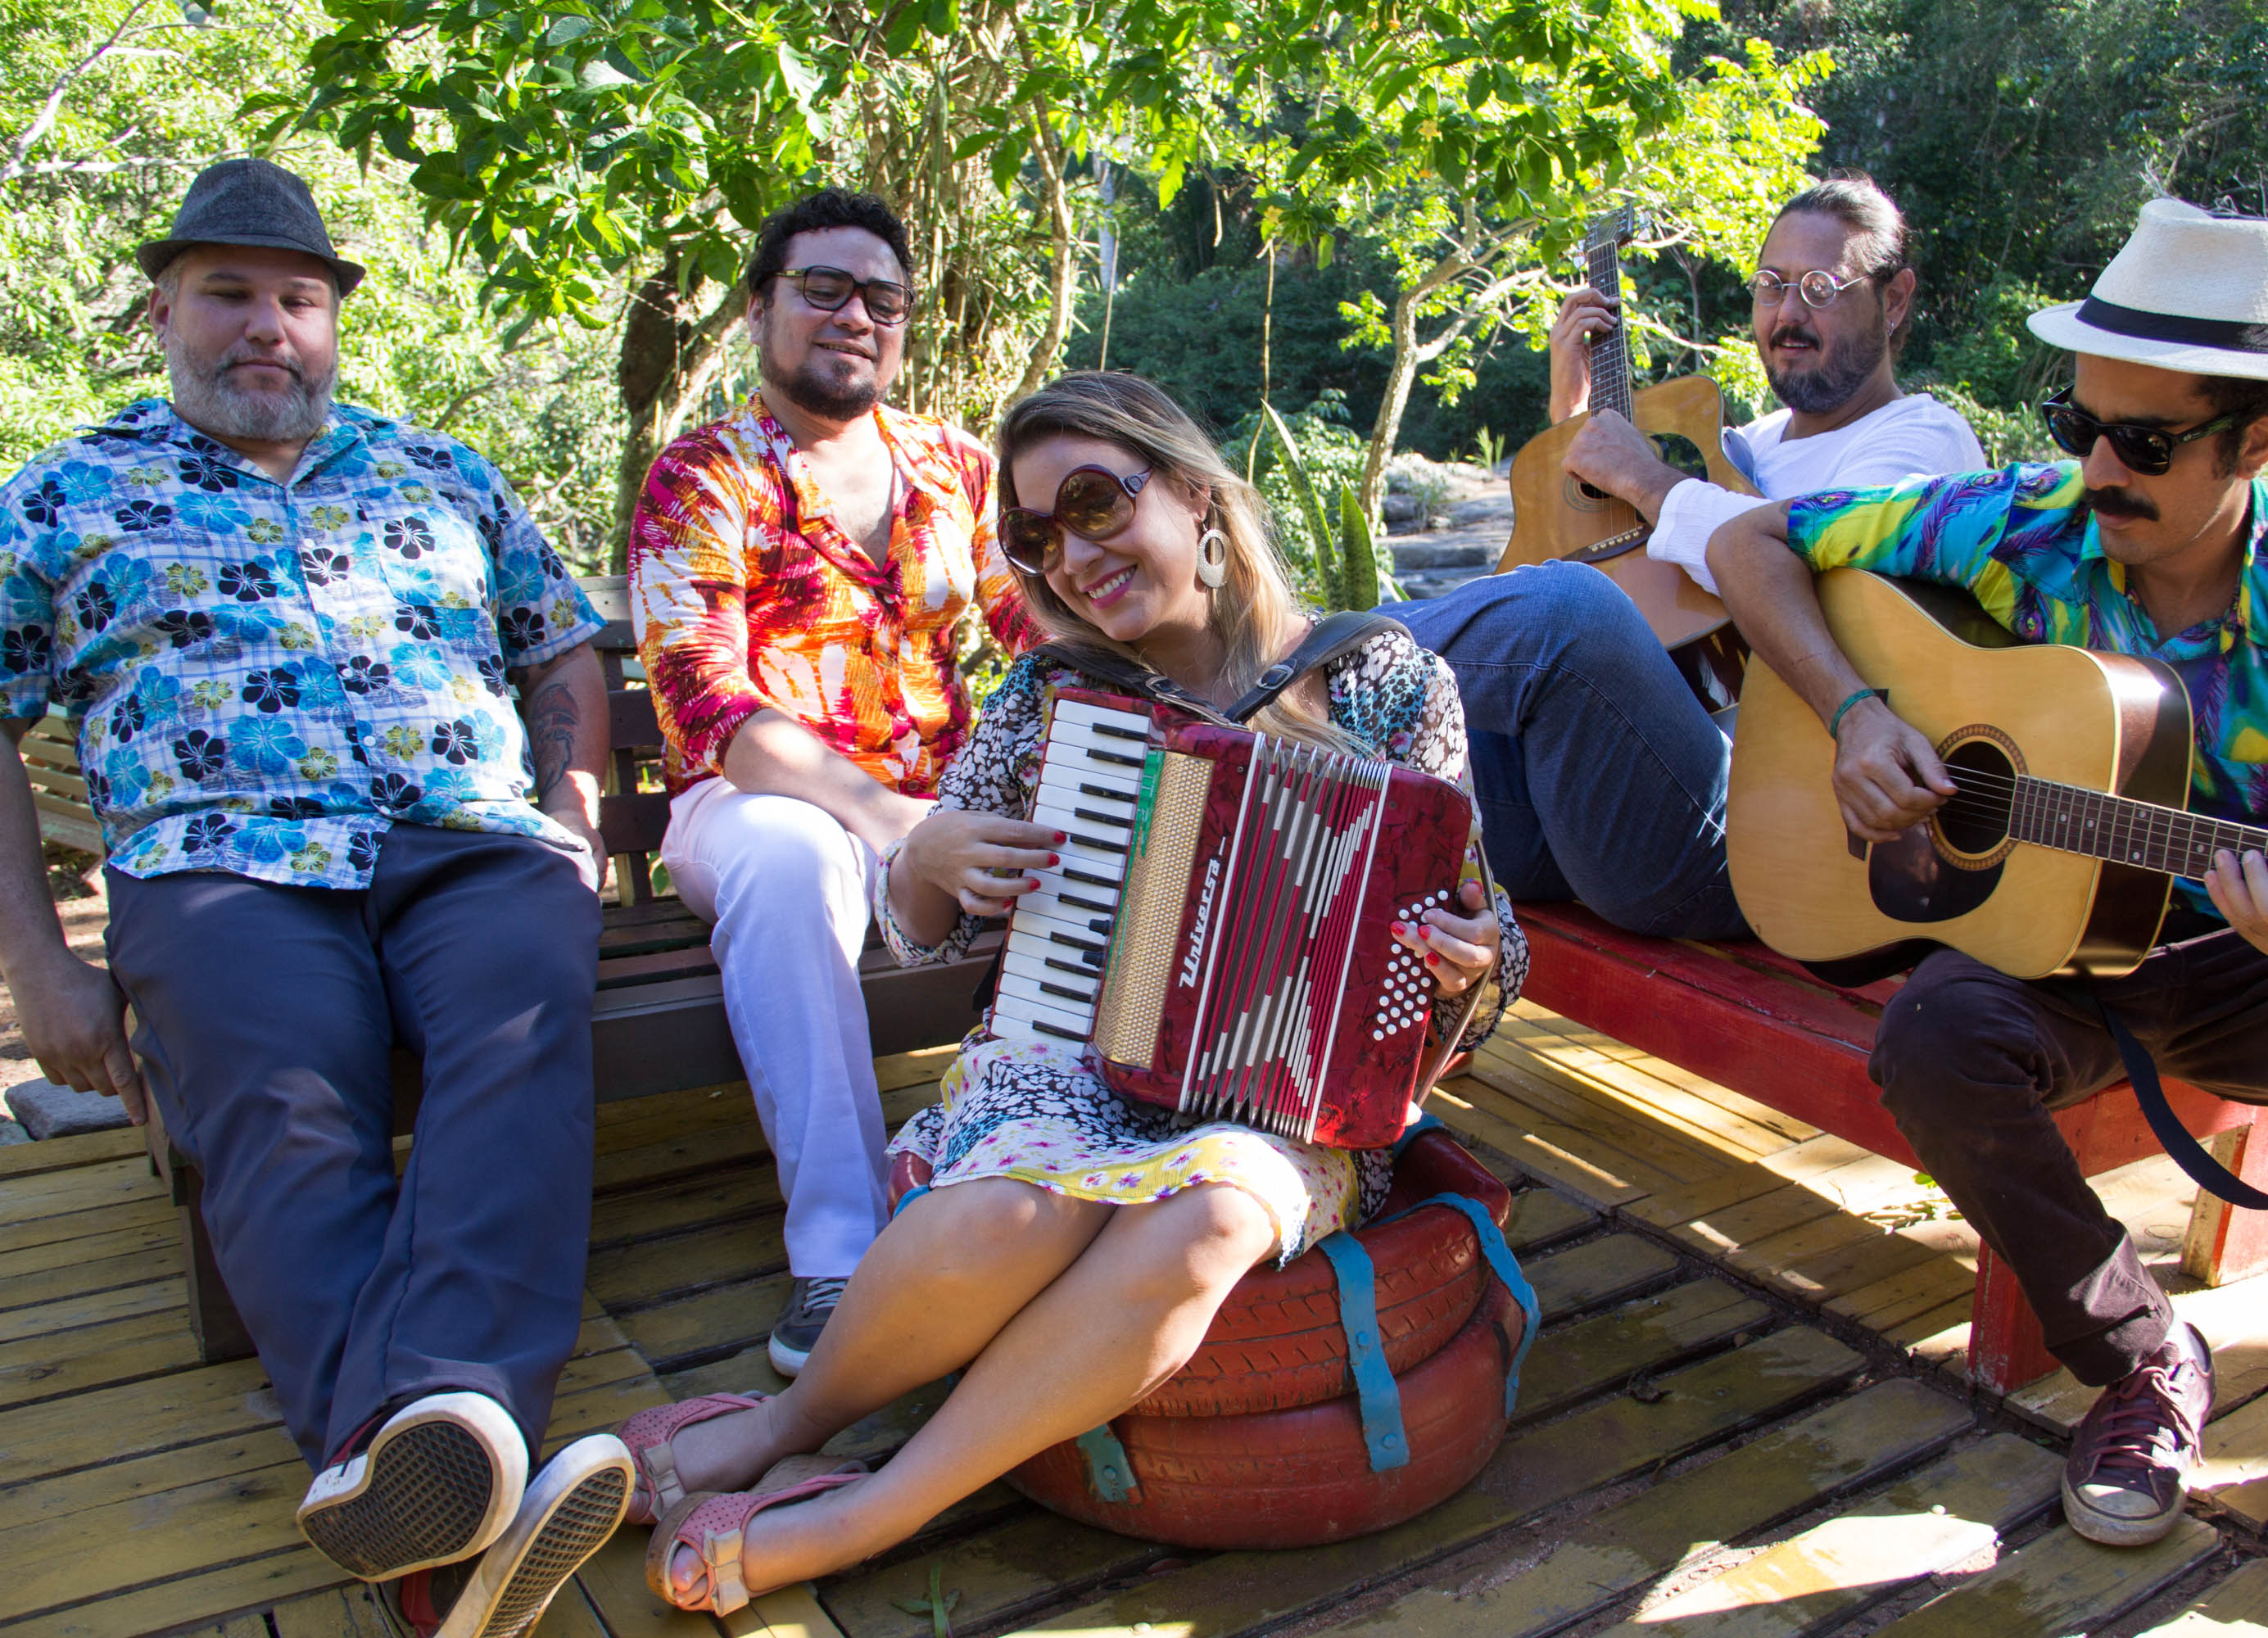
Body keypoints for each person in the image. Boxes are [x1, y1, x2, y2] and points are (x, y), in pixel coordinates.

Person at [612, 372, 1529, 1612]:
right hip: (1071, 1064)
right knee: (1003, 1218)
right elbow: (923, 935)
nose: (1074, 557)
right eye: (1036, 536)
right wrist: (925, 859)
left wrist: (1474, 956)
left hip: (1288, 1109)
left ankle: (870, 1513)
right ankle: (789, 1426)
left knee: (1209, 1217)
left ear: (1195, 493)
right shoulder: (1051, 700)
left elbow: (1490, 943)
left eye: (1097, 504)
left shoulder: (1386, 682)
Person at [1706, 199, 2268, 1636]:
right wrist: (1856, 711)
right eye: (2083, 421)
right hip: (2049, 958)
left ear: (2263, 442)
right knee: (1931, 1035)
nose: (2098, 465)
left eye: (2147, 442)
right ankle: (2137, 1360)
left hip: (2258, 960)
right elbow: (1753, 546)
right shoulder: (2025, 523)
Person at [0, 160, 632, 1636]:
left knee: (522, 1045)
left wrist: (574, 816)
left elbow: (560, 647)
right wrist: (39, 967)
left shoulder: (444, 473)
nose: (267, 325)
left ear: (335, 320)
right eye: (229, 293)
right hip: (222, 868)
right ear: (163, 309)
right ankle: (448, 1521)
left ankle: (411, 1496)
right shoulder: (64, 495)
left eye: (298, 296)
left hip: (470, 844)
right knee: (284, 1109)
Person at [631, 190, 1034, 1378]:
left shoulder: (953, 464)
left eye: (882, 298)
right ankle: (842, 1260)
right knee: (792, 855)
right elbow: (711, 706)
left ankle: (1082, 1173)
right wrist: (910, 829)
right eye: (822, 288)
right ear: (760, 308)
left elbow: (1037, 624)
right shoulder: (701, 477)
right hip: (753, 806)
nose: (855, 314)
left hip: (938, 803)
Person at [1390, 172, 1985, 936]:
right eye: (1771, 285)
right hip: (1609, 806)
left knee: (1569, 610)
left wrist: (1643, 475)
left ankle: (1294, 652)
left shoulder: (1918, 441)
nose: (1788, 313)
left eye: (1821, 287)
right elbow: (1661, 607)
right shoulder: (1744, 445)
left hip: (1756, 837)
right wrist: (1571, 425)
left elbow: (1805, 571)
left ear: (1894, 299)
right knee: (1395, 762)